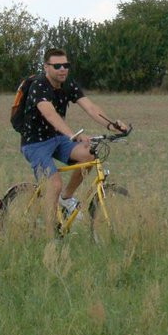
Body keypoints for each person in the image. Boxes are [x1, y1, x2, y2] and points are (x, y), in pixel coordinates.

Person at [19, 48, 127, 233]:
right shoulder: (39, 86)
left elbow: (91, 108)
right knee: (54, 184)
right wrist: (73, 134)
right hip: (35, 143)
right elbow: (50, 114)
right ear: (46, 67)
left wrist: (112, 125)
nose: (62, 69)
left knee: (89, 155)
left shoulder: (68, 84)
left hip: (57, 138)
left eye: (66, 65)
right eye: (57, 66)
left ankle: (66, 199)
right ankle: (50, 233)